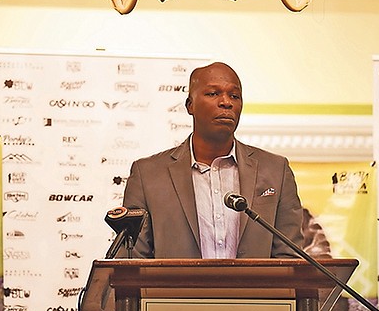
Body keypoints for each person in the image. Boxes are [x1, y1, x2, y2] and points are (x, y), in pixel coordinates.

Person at [122, 62, 304, 258]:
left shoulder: (276, 171)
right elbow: (133, 261)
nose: (226, 102)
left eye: (234, 96)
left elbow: (291, 257)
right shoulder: (148, 175)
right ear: (190, 105)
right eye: (213, 94)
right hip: (174, 290)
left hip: (257, 290)